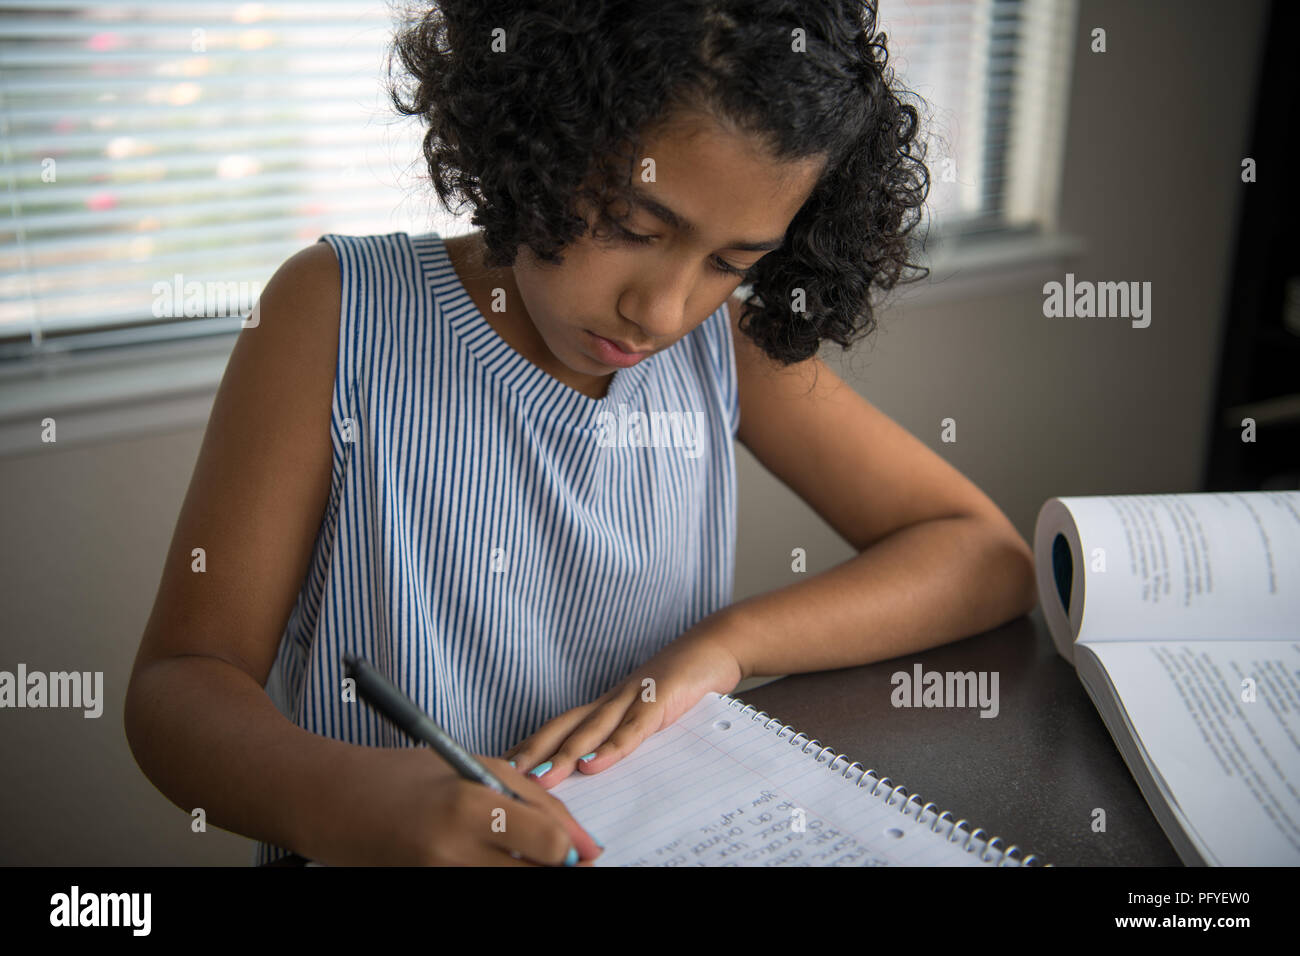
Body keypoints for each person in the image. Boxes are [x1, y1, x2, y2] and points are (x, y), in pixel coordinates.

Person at [125, 0, 1037, 867]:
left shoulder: (726, 343)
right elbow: (179, 684)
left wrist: (726, 645)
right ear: (537, 137)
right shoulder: (336, 314)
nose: (663, 310)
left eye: (731, 262)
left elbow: (982, 555)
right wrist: (360, 799)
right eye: (633, 225)